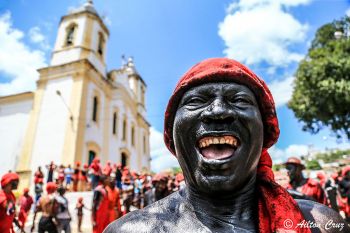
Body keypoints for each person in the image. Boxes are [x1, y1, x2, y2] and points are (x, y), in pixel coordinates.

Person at [105, 58, 349, 232]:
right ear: (172, 135)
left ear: (265, 132)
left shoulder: (322, 224)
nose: (218, 110)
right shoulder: (133, 230)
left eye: (240, 100)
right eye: (197, 101)